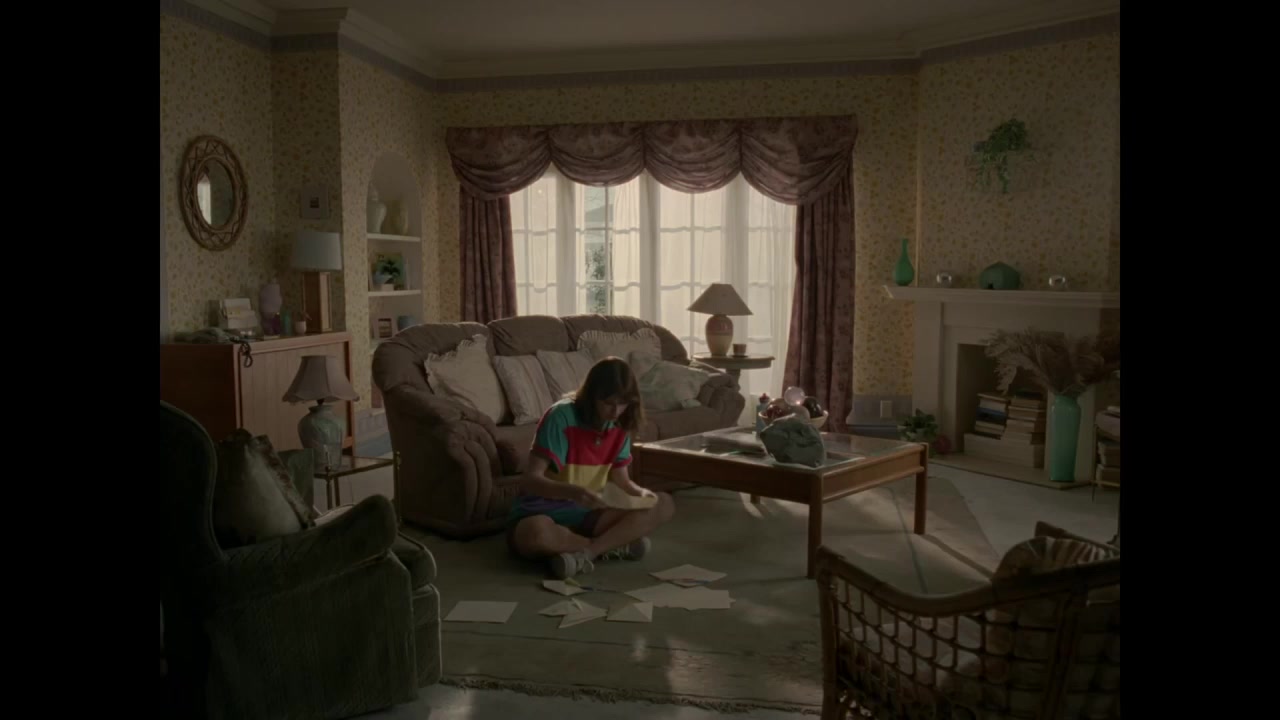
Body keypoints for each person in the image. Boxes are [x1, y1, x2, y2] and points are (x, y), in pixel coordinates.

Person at [507, 356, 675, 579]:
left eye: (623, 403)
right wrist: (573, 492)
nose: (615, 411)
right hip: (542, 513)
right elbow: (531, 480)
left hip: (590, 515)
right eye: (608, 403)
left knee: (663, 503)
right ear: (592, 396)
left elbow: (622, 480)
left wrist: (641, 493)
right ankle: (611, 545)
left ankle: (588, 552)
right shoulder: (561, 417)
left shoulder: (620, 424)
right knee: (536, 535)